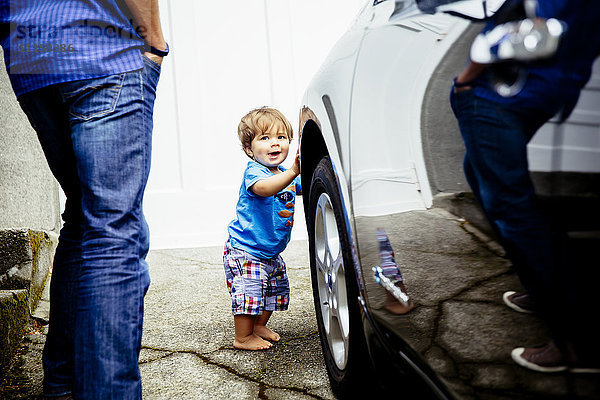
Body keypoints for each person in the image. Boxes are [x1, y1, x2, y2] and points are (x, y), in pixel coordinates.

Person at [0, 1, 168, 398]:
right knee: (112, 231)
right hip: (102, 47)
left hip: (30, 57)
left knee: (81, 214)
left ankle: (63, 384)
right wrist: (154, 39)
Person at [450, 0, 600, 373]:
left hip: (501, 92)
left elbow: (543, 28)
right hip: (550, 87)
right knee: (482, 176)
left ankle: (573, 344)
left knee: (513, 209)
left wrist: (469, 73)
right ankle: (543, 289)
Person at [224, 107, 301, 351]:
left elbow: (305, 183)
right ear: (249, 149)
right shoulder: (255, 172)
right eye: (265, 138)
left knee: (274, 292)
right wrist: (292, 172)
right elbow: (265, 189)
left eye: (281, 137)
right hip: (246, 249)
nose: (274, 144)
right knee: (249, 292)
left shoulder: (286, 174)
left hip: (269, 251)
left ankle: (258, 326)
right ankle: (243, 337)